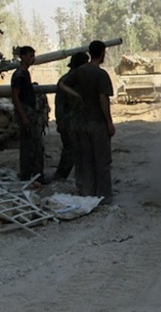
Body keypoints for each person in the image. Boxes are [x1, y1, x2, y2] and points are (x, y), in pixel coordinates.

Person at [60, 41, 115, 204]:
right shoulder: (101, 74)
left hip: (81, 122)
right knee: (102, 161)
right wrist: (109, 122)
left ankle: (88, 195)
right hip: (97, 122)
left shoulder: (80, 71)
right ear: (102, 53)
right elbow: (103, 98)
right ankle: (104, 197)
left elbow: (62, 84)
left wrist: (78, 95)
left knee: (87, 160)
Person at [11, 45, 47, 184]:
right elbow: (15, 97)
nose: (32, 59)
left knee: (33, 145)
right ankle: (32, 176)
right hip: (26, 113)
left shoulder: (25, 73)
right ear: (23, 57)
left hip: (29, 112)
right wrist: (24, 117)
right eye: (30, 56)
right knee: (31, 146)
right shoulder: (19, 75)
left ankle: (33, 175)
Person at [53, 52, 89, 189]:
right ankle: (60, 179)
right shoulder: (67, 81)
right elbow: (60, 104)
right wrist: (60, 122)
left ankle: (79, 180)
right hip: (69, 122)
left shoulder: (79, 80)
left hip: (79, 121)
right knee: (70, 151)